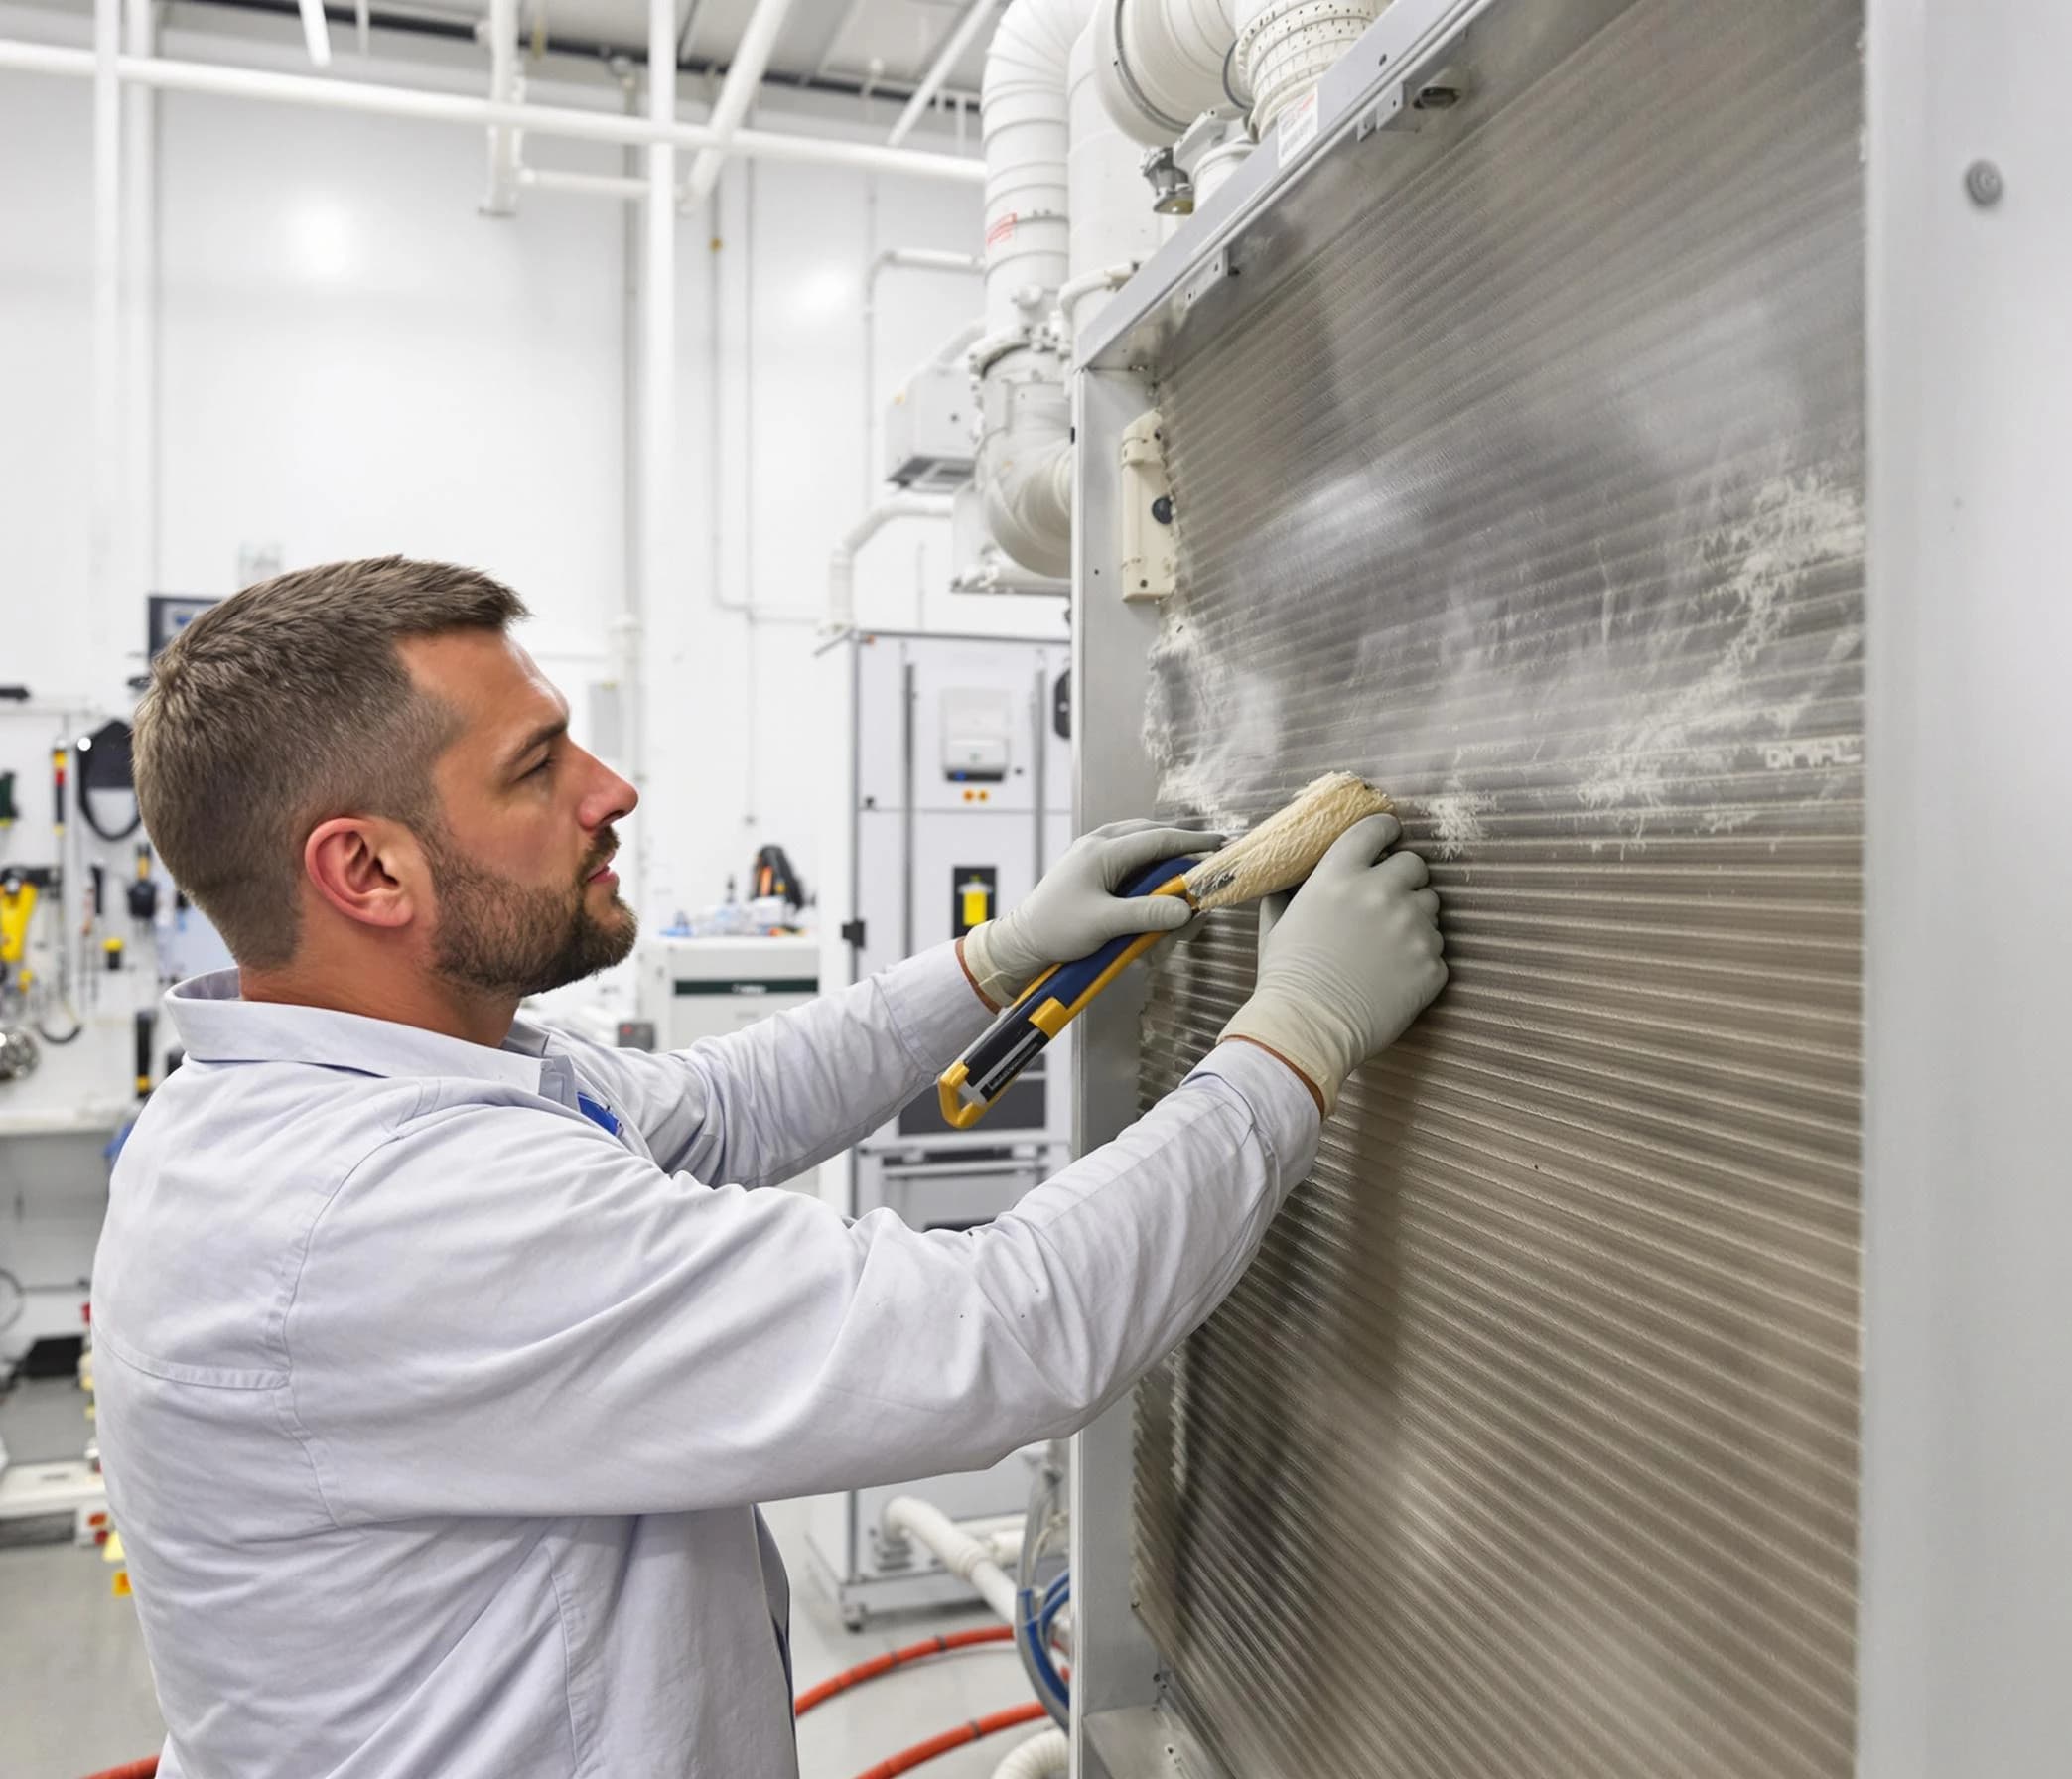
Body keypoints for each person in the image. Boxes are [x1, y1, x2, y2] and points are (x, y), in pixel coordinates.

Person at [93, 556, 1447, 1778]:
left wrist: (1001, 957)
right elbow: (985, 1337)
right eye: (537, 765)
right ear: (368, 871)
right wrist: (1293, 1044)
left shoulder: (348, 1083)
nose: (611, 792)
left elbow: (722, 1108)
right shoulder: (382, 1211)